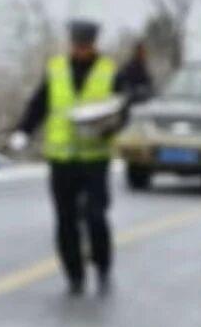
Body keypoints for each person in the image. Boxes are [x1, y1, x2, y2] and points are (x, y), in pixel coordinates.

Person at [9, 19, 132, 296]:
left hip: (95, 157)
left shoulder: (109, 72)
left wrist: (110, 127)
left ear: (94, 44)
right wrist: (23, 131)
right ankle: (74, 274)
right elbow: (39, 104)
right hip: (62, 159)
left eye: (85, 45)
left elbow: (123, 110)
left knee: (95, 215)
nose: (80, 50)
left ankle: (102, 266)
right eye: (77, 45)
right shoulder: (57, 70)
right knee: (65, 220)